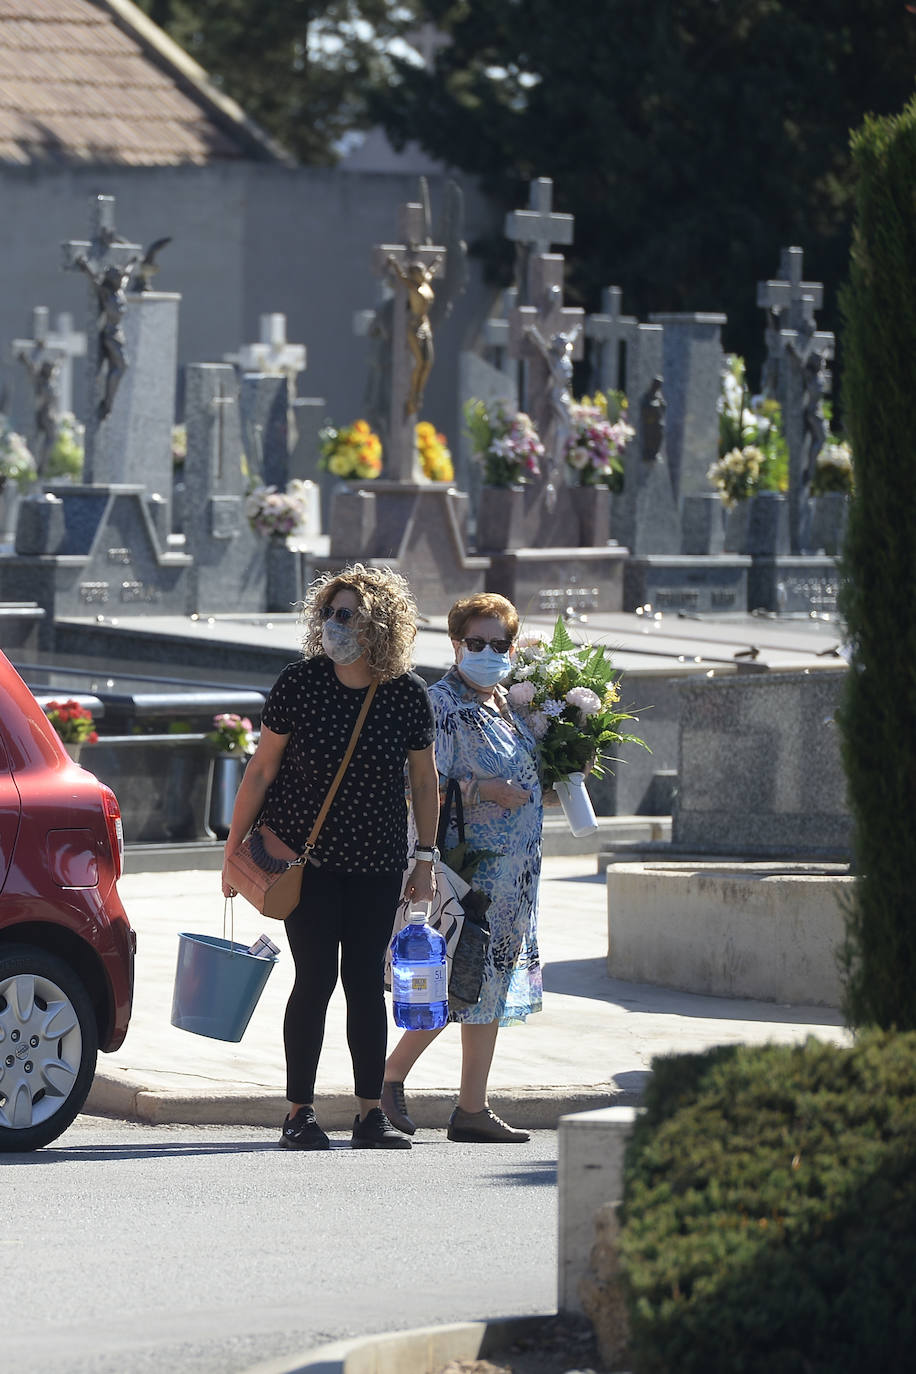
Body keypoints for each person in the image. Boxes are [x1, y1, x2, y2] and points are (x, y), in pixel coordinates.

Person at [221, 564, 439, 1151]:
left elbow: (424, 783)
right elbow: (262, 769)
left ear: (376, 624)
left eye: (346, 615)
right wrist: (232, 848)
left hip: (377, 860)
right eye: (328, 613)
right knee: (314, 980)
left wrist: (425, 860)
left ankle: (371, 1113)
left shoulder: (406, 694)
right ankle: (300, 1111)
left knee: (366, 982)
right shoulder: (301, 682)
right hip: (304, 862)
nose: (333, 624)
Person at [382, 592, 544, 1143]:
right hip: (467, 870)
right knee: (461, 984)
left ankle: (472, 1107)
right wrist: (486, 790)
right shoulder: (441, 704)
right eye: (476, 643)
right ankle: (388, 1077)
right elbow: (415, 785)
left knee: (487, 986)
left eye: (500, 644)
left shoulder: (510, 704)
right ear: (455, 644)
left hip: (513, 877)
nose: (489, 653)